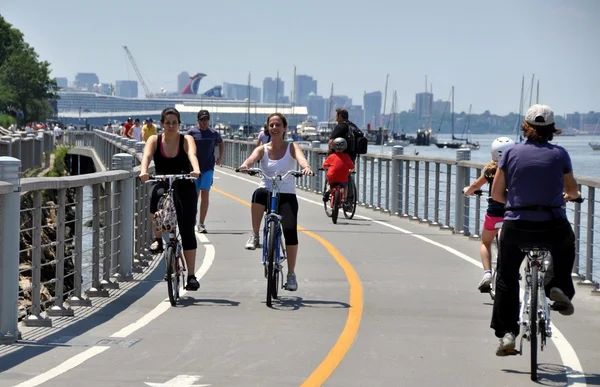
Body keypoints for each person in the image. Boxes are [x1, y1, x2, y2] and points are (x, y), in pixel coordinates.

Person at [490, 104, 581, 356]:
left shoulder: (510, 154)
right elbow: (572, 190)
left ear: (526, 127)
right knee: (566, 245)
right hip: (551, 224)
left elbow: (497, 195)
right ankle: (557, 285)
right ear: (552, 129)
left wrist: (517, 198)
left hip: (517, 225)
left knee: (507, 276)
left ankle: (508, 333)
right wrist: (570, 195)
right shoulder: (560, 155)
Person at [238, 112, 313, 291]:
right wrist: (245, 166)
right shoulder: (263, 148)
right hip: (267, 189)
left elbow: (302, 159)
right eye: (271, 125)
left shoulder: (291, 147)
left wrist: (306, 167)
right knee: (257, 195)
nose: (274, 128)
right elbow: (251, 159)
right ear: (268, 128)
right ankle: (255, 235)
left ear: (284, 128)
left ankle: (291, 274)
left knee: (290, 230)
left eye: (278, 125)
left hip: (286, 193)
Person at [139, 107, 202, 291]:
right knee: (154, 195)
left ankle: (191, 276)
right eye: (167, 123)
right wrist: (144, 171)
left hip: (184, 182)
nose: (171, 126)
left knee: (187, 229)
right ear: (162, 124)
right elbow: (147, 156)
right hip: (163, 180)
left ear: (179, 124)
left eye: (174, 123)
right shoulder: (154, 139)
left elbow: (192, 154)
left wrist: (195, 169)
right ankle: (157, 239)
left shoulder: (186, 139)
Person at [463, 137, 515, 292]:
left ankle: (487, 273)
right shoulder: (517, 168)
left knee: (485, 242)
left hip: (494, 216)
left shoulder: (491, 170)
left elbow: (475, 185)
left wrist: (468, 190)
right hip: (513, 215)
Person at [186, 109, 224, 233]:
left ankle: (201, 223)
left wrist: (220, 157)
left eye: (206, 119)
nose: (204, 122)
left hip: (208, 168)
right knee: (193, 196)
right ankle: (191, 220)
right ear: (198, 120)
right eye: (202, 119)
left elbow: (221, 142)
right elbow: (184, 145)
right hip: (194, 169)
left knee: (205, 193)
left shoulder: (213, 133)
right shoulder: (192, 132)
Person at [324, 108, 364, 203]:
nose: (335, 118)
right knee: (347, 176)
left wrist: (329, 153)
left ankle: (329, 190)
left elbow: (331, 141)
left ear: (340, 116)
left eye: (336, 115)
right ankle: (348, 201)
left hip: (339, 155)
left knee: (332, 172)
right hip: (351, 156)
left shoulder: (340, 126)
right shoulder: (353, 126)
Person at [323, 137, 355, 203]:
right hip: (343, 177)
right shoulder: (347, 157)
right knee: (345, 186)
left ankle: (328, 190)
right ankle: (344, 199)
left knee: (329, 183)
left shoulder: (331, 156)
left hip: (332, 176)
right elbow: (352, 167)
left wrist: (327, 171)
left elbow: (324, 165)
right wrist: (349, 171)